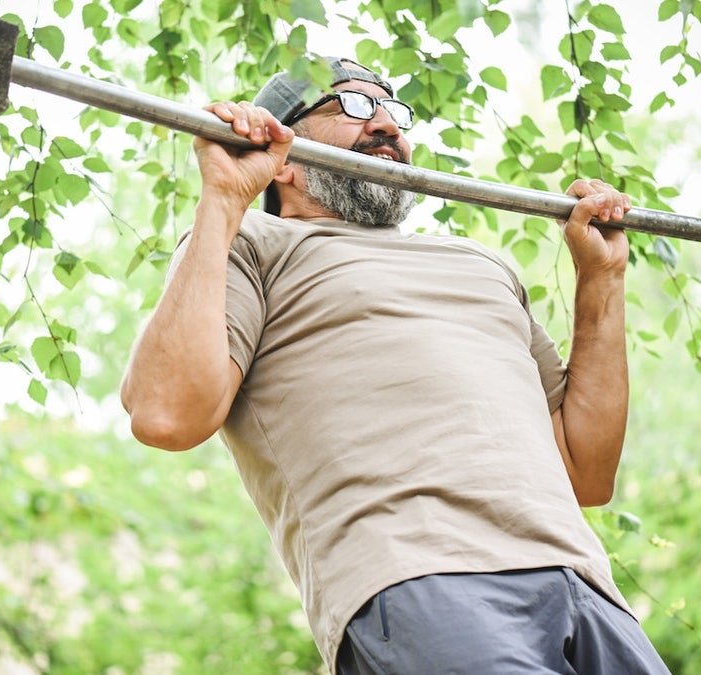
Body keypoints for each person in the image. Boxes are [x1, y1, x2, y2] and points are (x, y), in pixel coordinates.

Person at [121, 56, 670, 674]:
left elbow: (586, 473)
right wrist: (222, 201)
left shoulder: (479, 265)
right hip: (419, 577)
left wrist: (602, 279)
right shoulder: (254, 244)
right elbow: (165, 414)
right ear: (285, 160)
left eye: (392, 111)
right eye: (352, 107)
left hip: (585, 586)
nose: (385, 124)